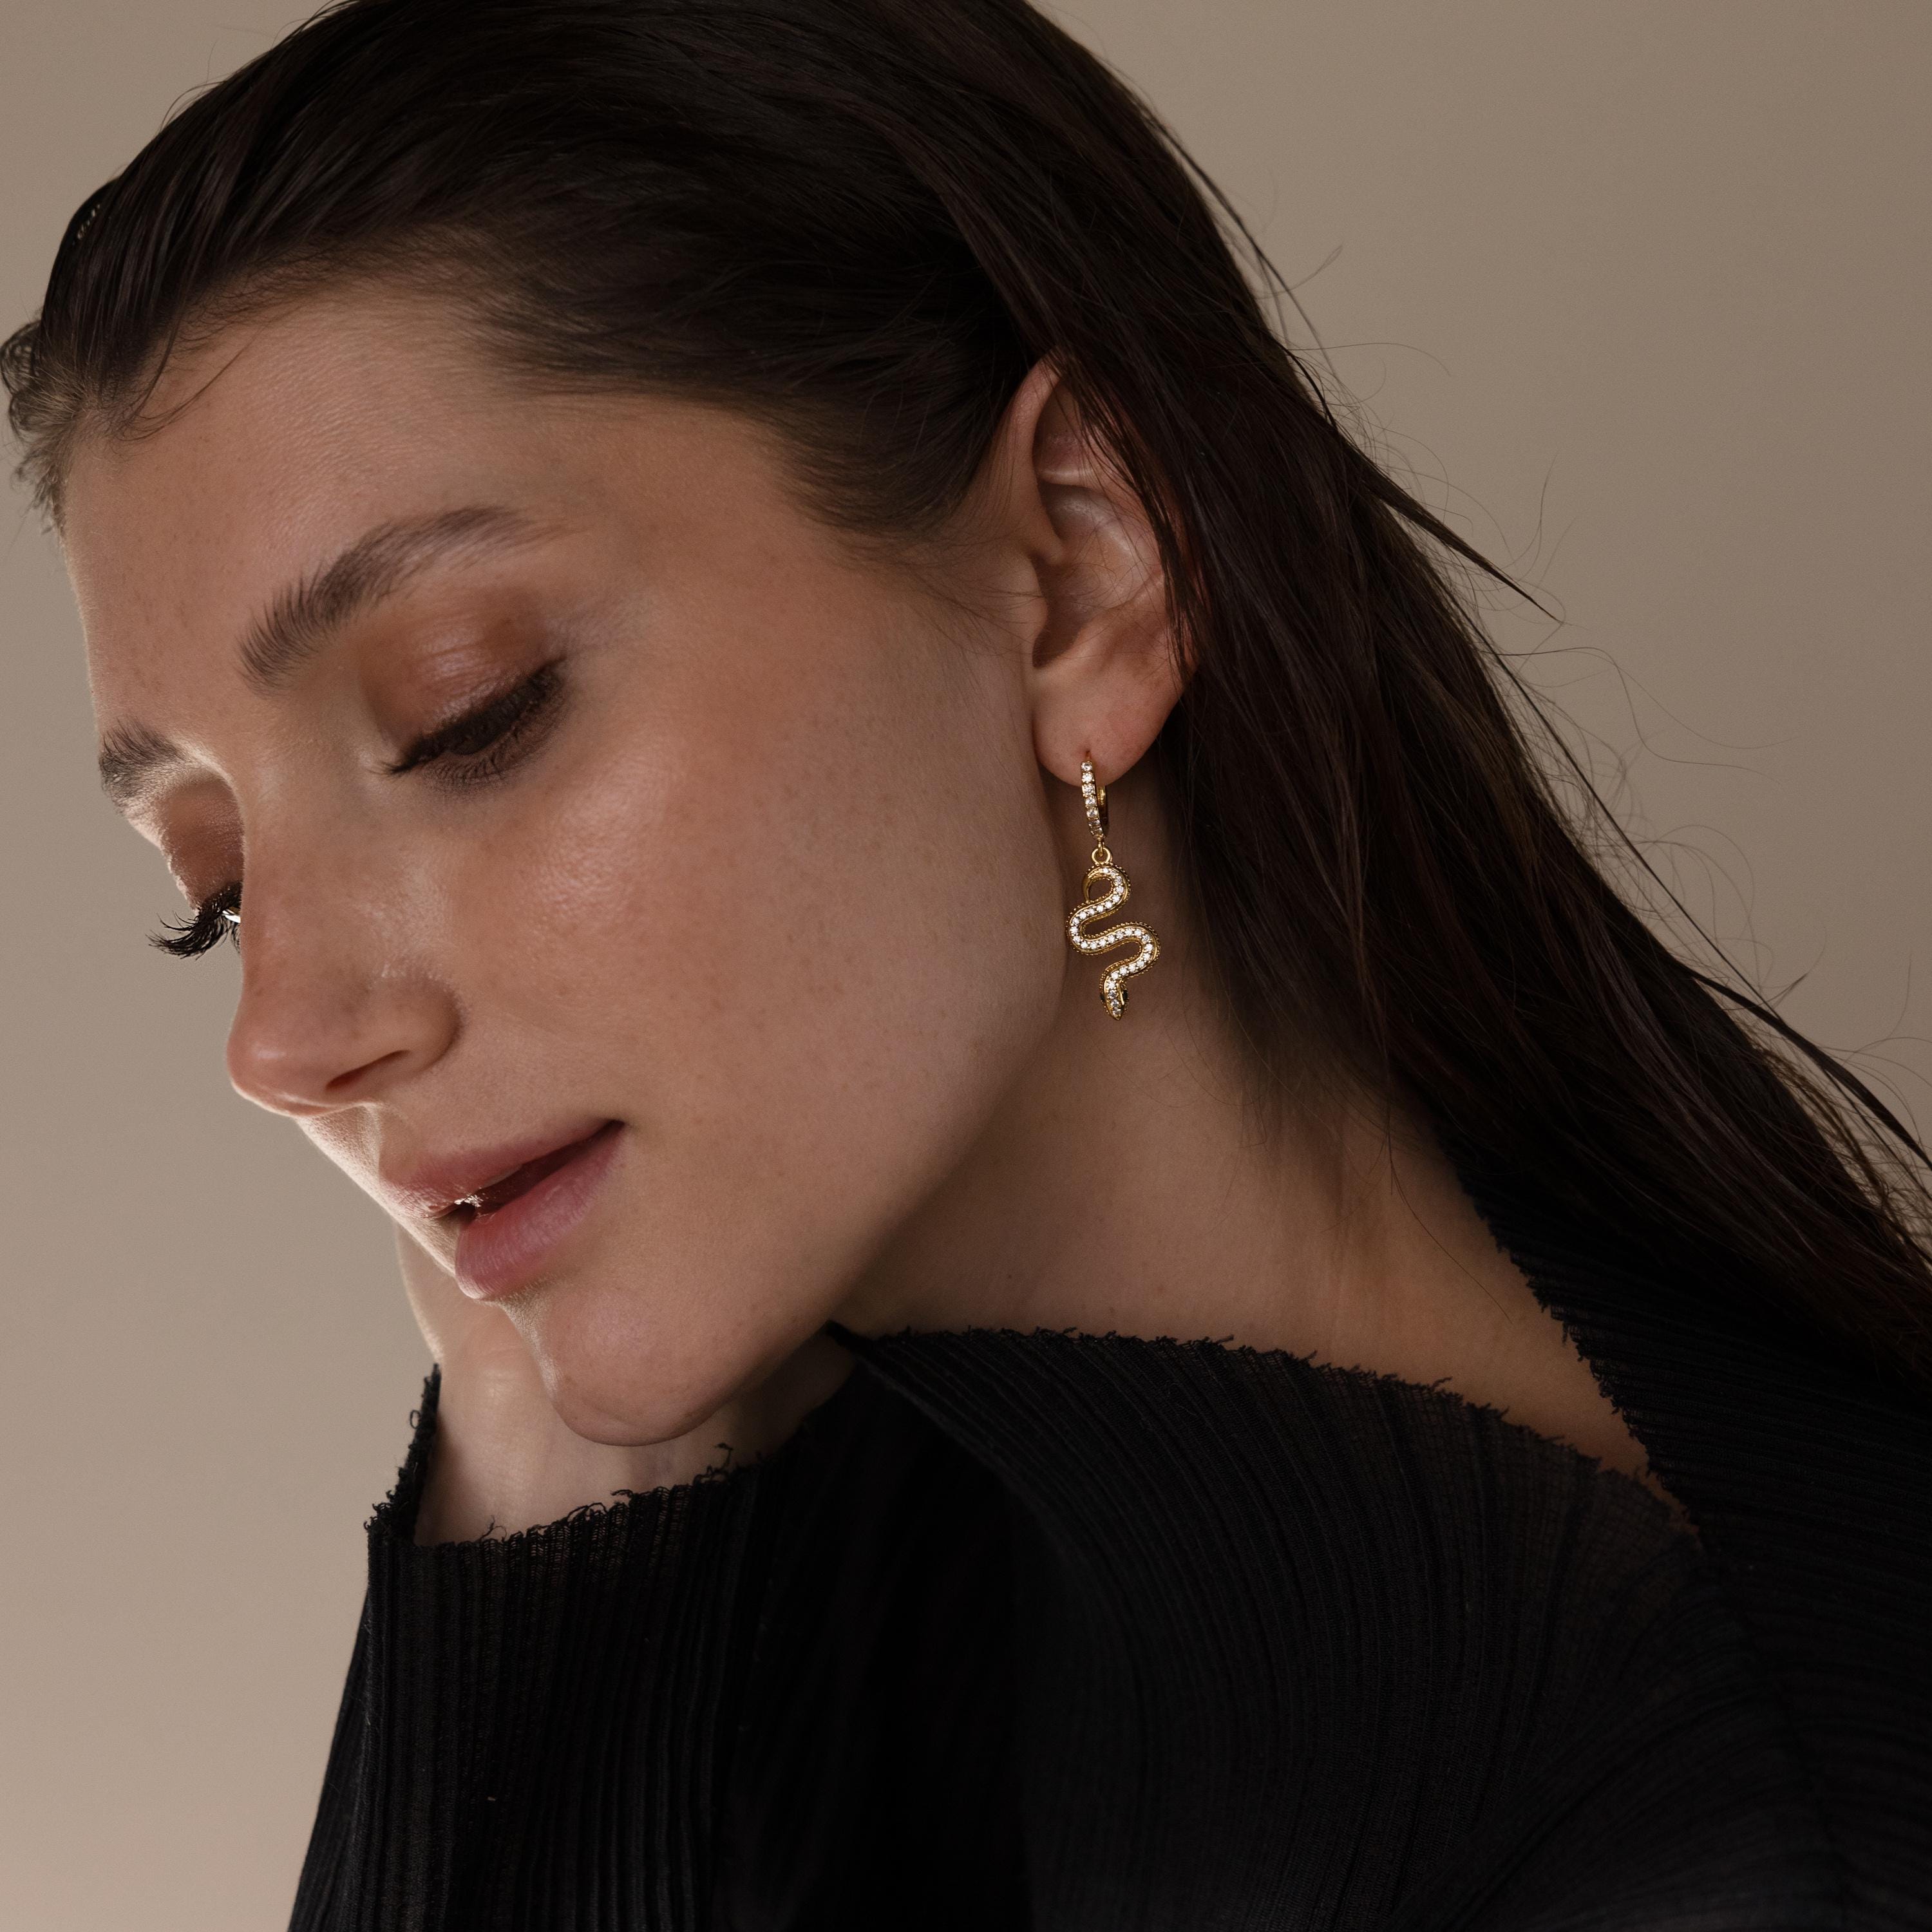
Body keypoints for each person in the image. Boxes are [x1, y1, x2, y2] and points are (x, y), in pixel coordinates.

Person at [8, 0, 1929, 1924]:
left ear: (1077, 578)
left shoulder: (1728, 1830)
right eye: (218, 882)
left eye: (470, 713)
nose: (283, 1038)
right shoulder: (830, 1555)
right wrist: (536, 1497)